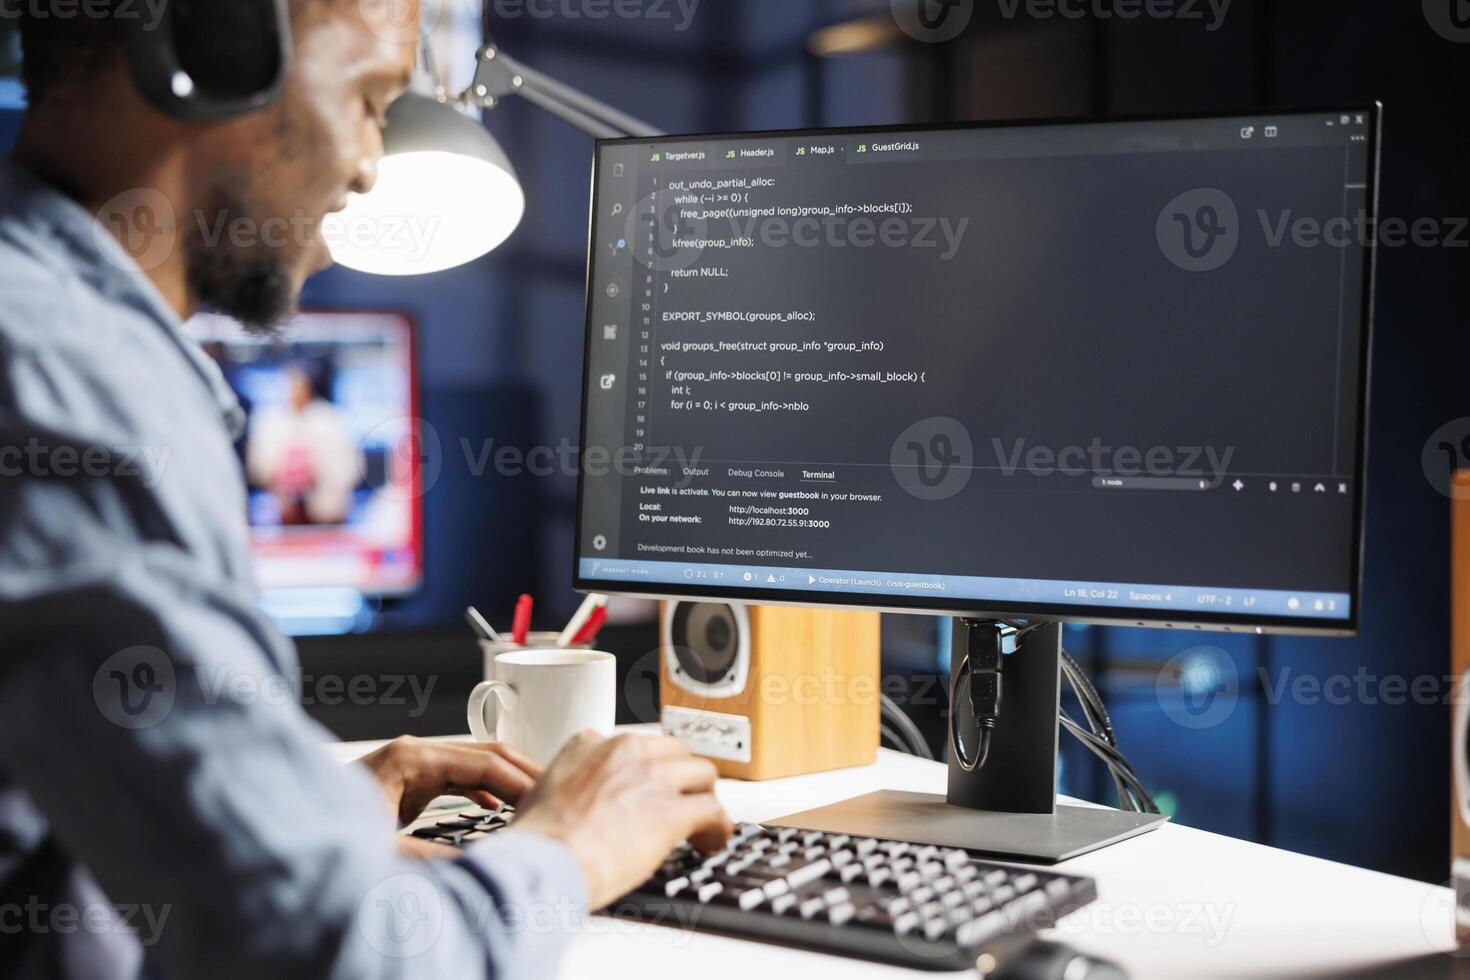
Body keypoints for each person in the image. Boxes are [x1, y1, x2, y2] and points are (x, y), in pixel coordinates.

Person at [0, 2, 731, 978]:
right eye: (369, 100)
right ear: (210, 50)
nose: (369, 166)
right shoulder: (68, 389)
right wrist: (570, 846)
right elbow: (327, 958)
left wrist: (311, 818)